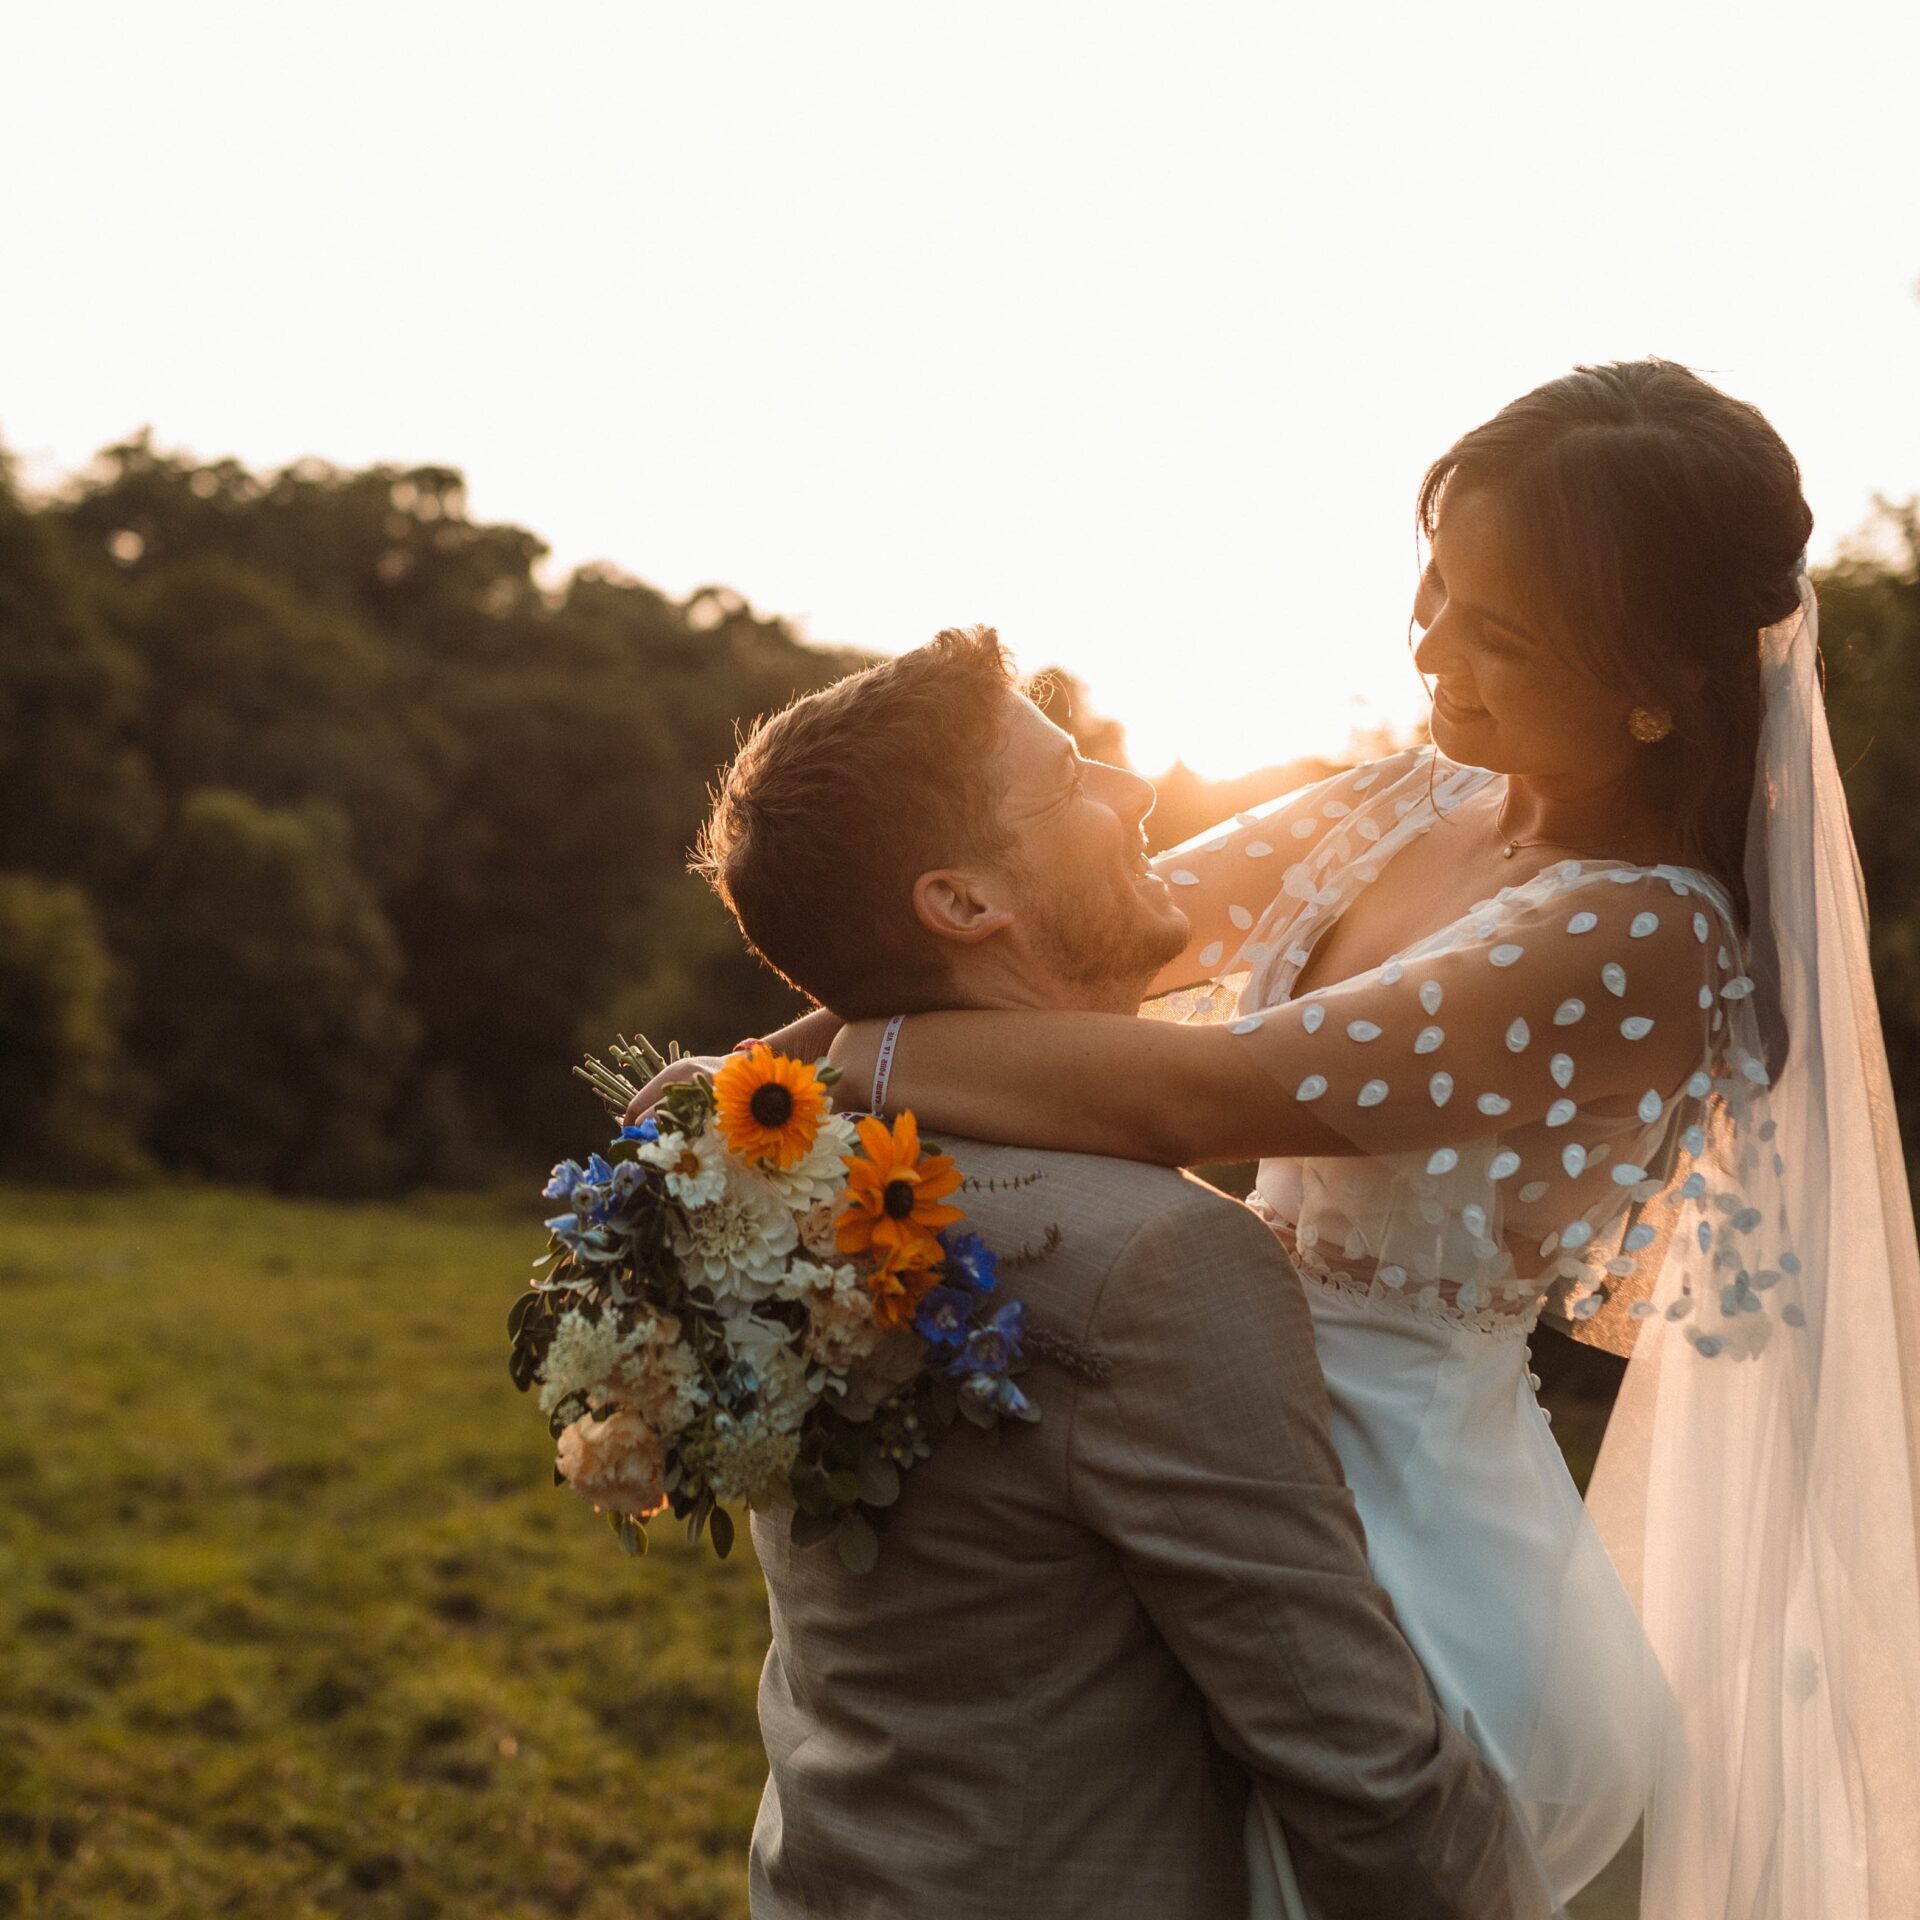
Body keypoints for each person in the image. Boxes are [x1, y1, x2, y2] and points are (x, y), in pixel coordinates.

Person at [813, 360, 1920, 1919]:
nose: (1430, 645)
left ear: (1656, 685)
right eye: (1434, 584)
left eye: (1499, 632)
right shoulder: (1411, 796)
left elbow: (1210, 1092)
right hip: (1208, 1391)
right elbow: (1107, 936)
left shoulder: (1645, 937)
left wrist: (857, 1058)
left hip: (1407, 1526)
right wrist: (746, 1080)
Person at [670, 628, 1529, 1919]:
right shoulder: (1158, 1257)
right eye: (1072, 781)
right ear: (963, 905)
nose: (1135, 796)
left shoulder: (776, 1174)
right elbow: (1358, 1767)